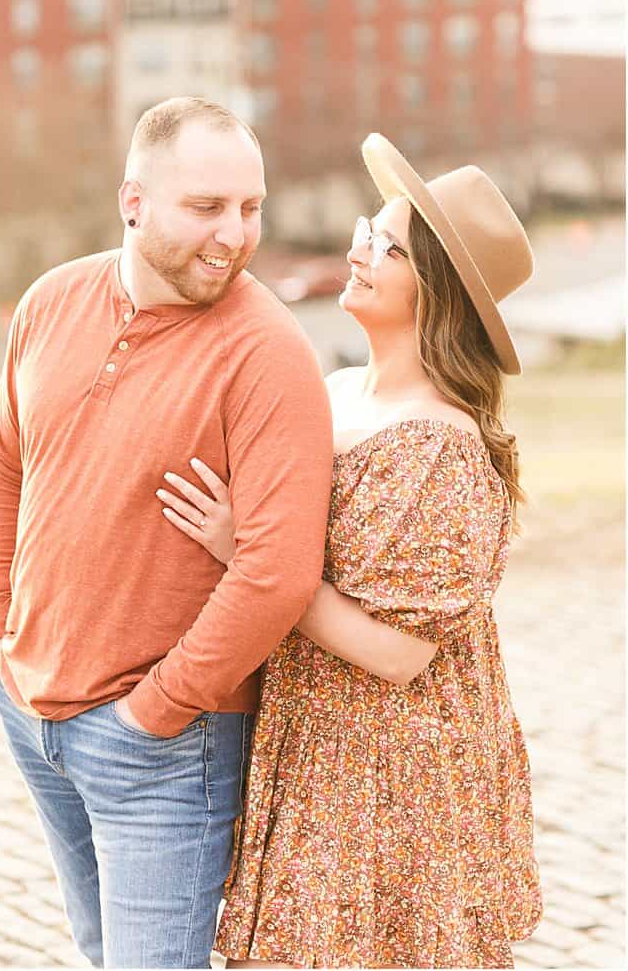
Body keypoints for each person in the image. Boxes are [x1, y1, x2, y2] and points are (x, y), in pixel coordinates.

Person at [155, 133, 543, 967]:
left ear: (433, 292)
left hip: (390, 768)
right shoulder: (330, 390)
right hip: (313, 732)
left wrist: (248, 555)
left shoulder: (439, 445)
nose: (359, 249)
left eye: (388, 246)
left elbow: (399, 654)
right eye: (371, 228)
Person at [0, 96, 335, 969]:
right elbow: (4, 472)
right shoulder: (51, 300)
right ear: (134, 201)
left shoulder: (267, 353)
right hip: (31, 709)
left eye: (251, 207)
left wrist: (158, 711)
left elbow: (279, 573)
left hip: (164, 749)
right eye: (206, 206)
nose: (234, 234)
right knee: (103, 952)